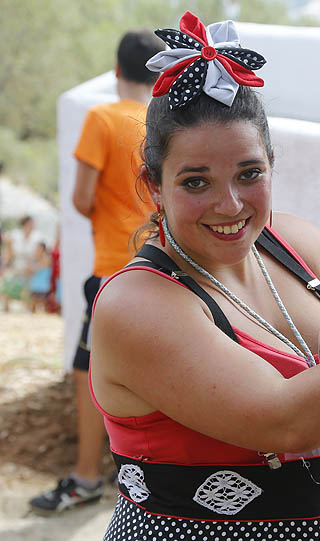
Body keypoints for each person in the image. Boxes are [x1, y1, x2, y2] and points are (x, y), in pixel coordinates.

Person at [88, 12, 320, 540]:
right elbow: (288, 420)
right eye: (196, 181)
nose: (229, 203)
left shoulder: (296, 245)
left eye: (249, 173)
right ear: (153, 185)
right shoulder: (137, 305)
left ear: (271, 163)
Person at [28, 29, 165, 514]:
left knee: (88, 372)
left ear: (115, 69)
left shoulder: (102, 118)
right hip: (164, 269)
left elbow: (82, 199)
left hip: (113, 271)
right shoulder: (162, 122)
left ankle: (87, 478)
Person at [0, 216, 44, 311]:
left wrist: (31, 265)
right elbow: (9, 250)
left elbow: (39, 253)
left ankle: (27, 307)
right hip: (16, 263)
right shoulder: (16, 235)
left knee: (28, 287)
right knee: (8, 283)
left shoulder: (37, 236)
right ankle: (6, 306)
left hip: (31, 265)